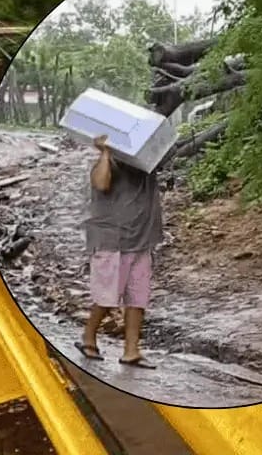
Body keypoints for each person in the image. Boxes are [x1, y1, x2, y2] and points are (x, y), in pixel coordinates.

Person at [77, 134, 164, 369]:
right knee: (107, 297)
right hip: (111, 241)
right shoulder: (110, 161)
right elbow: (101, 183)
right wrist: (105, 152)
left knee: (138, 299)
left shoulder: (146, 164)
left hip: (140, 241)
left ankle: (131, 351)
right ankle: (88, 337)